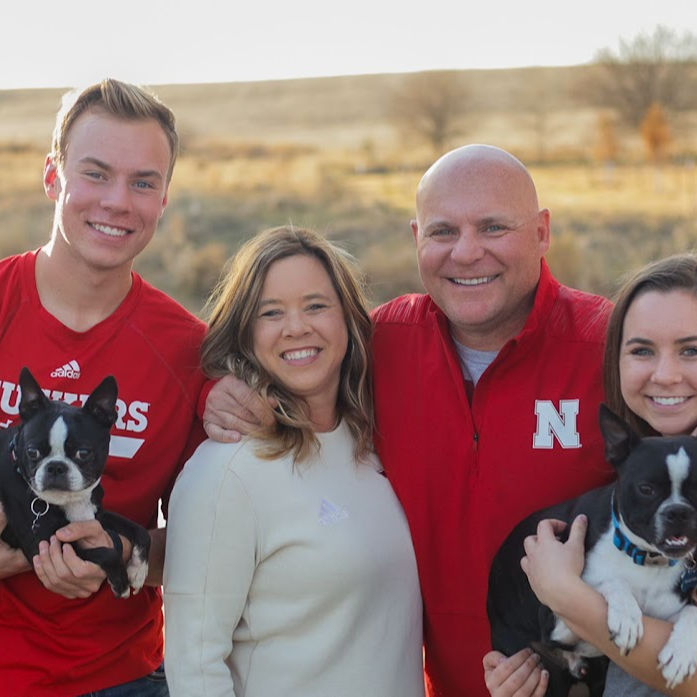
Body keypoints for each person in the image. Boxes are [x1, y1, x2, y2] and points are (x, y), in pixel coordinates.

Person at [201, 144, 616, 697]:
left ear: (542, 232)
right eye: (443, 232)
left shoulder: (609, 348)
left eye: (493, 227)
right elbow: (293, 356)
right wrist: (219, 388)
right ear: (415, 237)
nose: (466, 254)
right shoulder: (383, 344)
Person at [0, 79, 206, 696]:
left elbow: (208, 544)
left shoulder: (190, 353)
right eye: (95, 173)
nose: (118, 201)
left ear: (164, 197)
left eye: (143, 182)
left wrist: (117, 548)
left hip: (121, 678)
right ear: (52, 176)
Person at [163, 226, 424, 697]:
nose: (297, 327)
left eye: (316, 305)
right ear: (245, 332)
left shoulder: (370, 443)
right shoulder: (226, 471)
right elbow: (194, 666)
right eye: (271, 312)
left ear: (347, 318)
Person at [510, 254, 697, 697]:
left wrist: (568, 596)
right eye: (642, 350)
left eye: (691, 349)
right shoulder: (632, 475)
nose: (666, 374)